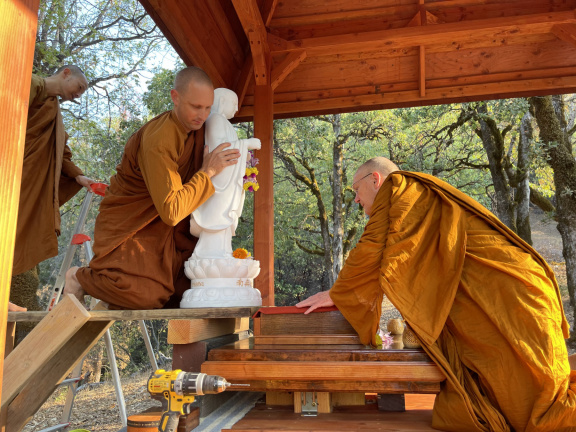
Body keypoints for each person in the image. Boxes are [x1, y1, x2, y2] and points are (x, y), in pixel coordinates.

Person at [296, 157, 576, 432]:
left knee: (539, 388)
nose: (356, 199)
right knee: (508, 374)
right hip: (514, 286)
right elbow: (393, 256)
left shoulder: (397, 188)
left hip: (510, 290)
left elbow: (371, 249)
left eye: (356, 190)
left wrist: (338, 292)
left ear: (375, 179)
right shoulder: (410, 196)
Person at [63, 67, 241, 310]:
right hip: (132, 227)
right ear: (175, 97)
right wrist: (208, 173)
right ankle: (79, 278)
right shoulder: (162, 138)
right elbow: (172, 209)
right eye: (195, 106)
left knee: (187, 292)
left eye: (208, 108)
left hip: (164, 234)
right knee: (143, 295)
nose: (202, 115)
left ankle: (113, 296)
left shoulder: (196, 132)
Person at [10, 65, 94, 314]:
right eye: (79, 88)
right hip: (12, 177)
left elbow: (60, 153)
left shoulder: (54, 111)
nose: (79, 95)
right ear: (66, 73)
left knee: (15, 239)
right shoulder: (29, 84)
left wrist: (79, 176)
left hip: (29, 188)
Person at [190, 88, 261, 259]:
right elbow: (219, 148)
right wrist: (246, 143)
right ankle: (209, 253)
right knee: (217, 216)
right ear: (222, 101)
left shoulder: (223, 122)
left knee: (225, 222)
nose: (236, 109)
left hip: (228, 181)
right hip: (219, 180)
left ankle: (223, 252)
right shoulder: (215, 119)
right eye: (234, 104)